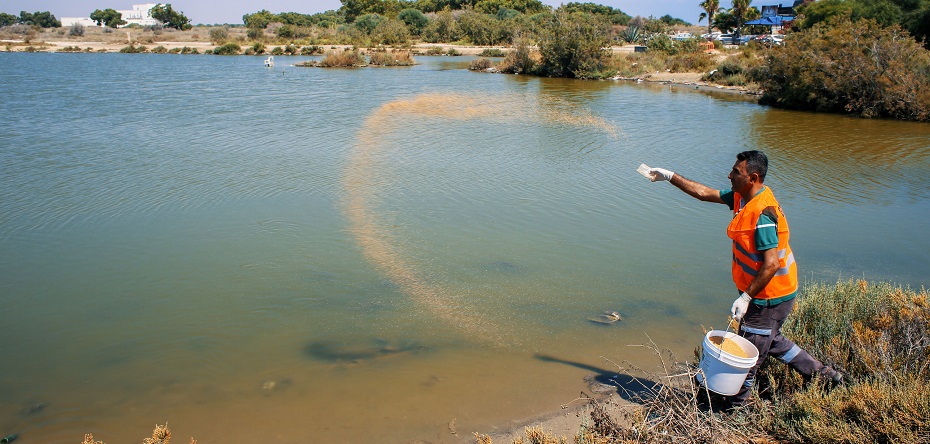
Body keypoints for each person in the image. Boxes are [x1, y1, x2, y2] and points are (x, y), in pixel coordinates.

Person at [646, 150, 842, 408]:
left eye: (736, 172)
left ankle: (735, 409)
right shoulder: (743, 198)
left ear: (753, 178)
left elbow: (772, 264)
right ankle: (825, 376)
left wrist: (747, 297)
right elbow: (704, 193)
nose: (729, 175)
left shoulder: (762, 215)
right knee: (772, 341)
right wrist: (670, 176)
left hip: (768, 298)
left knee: (747, 360)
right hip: (769, 294)